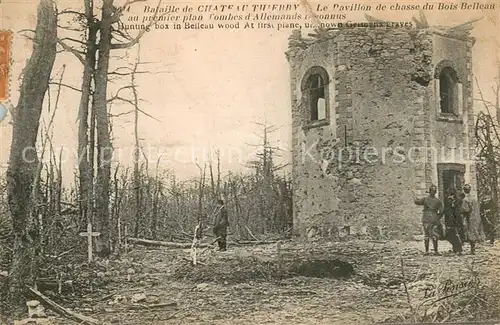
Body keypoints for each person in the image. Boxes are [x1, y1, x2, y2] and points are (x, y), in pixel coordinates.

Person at [414, 185, 444, 255]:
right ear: (435, 192)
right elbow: (442, 211)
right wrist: (438, 217)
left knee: (426, 235)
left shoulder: (425, 199)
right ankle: (436, 251)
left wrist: (415, 197)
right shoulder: (438, 201)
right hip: (434, 218)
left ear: (429, 191)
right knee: (435, 235)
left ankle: (427, 251)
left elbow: (417, 202)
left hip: (426, 218)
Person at [461, 184, 483, 254]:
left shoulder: (465, 199)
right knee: (474, 231)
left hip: (470, 217)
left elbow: (466, 210)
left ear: (464, 190)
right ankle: (473, 249)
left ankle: (472, 250)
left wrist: (461, 213)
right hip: (476, 217)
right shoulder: (474, 198)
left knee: (470, 232)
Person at [443, 188, 463, 254]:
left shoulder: (458, 201)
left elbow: (458, 211)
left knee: (457, 235)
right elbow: (447, 210)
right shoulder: (448, 201)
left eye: (450, 194)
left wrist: (453, 204)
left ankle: (459, 249)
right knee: (450, 235)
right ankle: (454, 247)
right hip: (450, 220)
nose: (448, 196)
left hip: (457, 220)